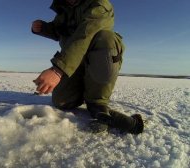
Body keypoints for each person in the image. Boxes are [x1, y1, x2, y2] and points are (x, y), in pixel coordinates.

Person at [32, 0, 144, 134]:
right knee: (61, 101)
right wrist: (43, 28)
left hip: (97, 59)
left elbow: (85, 34)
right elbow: (59, 31)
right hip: (75, 63)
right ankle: (86, 95)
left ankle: (97, 102)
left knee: (105, 38)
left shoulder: (99, 4)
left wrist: (57, 70)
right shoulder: (64, 10)